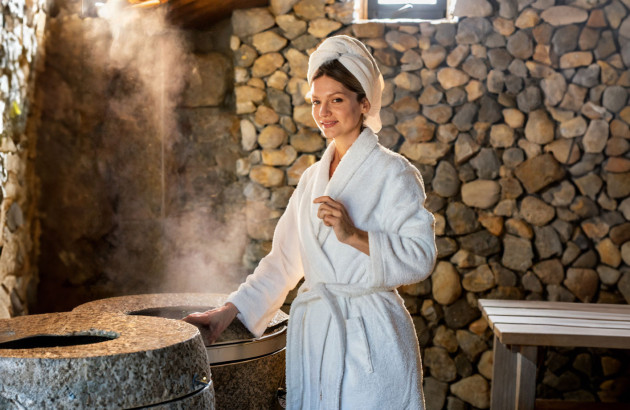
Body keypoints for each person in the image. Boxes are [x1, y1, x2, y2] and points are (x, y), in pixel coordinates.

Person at [184, 35, 437, 409]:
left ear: (364, 102)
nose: (323, 112)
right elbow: (284, 262)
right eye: (317, 102)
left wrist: (354, 236)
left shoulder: (395, 173)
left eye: (336, 99)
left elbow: (420, 257)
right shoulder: (311, 180)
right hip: (319, 336)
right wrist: (230, 310)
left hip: (370, 336)